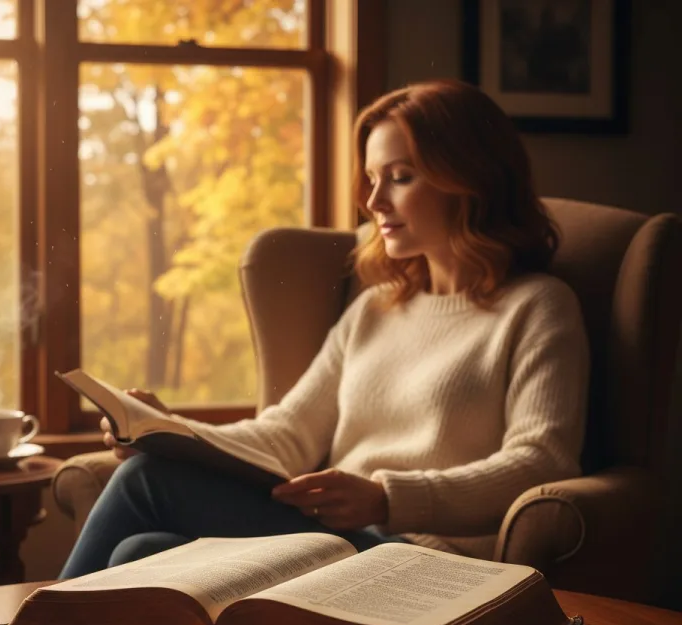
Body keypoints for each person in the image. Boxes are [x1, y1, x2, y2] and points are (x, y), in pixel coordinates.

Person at [59, 78, 589, 579]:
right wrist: (171, 433)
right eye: (374, 178)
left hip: (426, 561)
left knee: (141, 483)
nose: (374, 201)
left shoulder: (538, 307)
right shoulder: (375, 309)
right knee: (140, 553)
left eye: (401, 178)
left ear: (471, 179)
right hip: (345, 538)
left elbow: (540, 461)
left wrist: (387, 497)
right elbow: (287, 434)